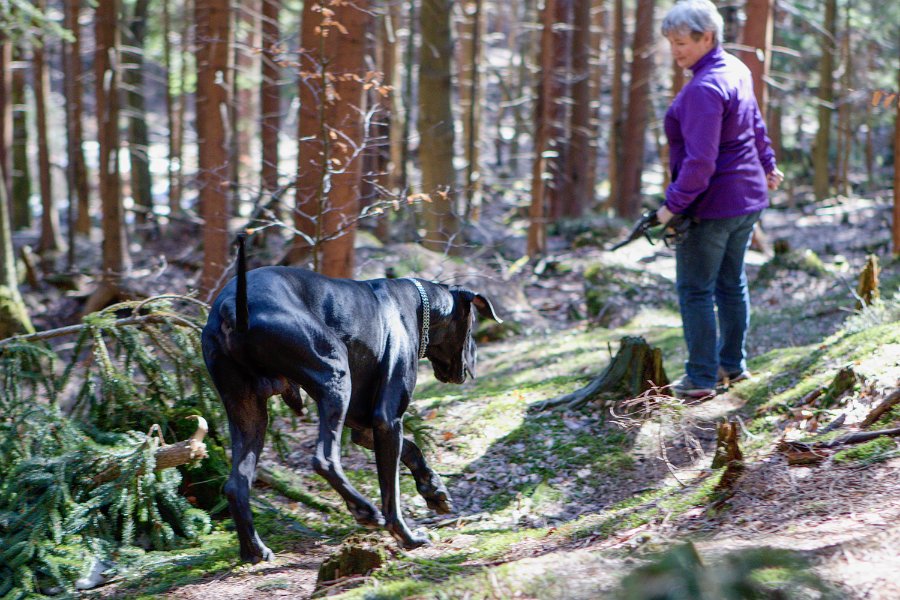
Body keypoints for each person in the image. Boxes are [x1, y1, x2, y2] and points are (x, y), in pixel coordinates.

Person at [656, 0, 784, 398]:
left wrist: (671, 206)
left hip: (711, 206)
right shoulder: (736, 69)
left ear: (707, 37)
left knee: (696, 289)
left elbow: (700, 164)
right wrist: (768, 164)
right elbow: (756, 124)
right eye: (671, 43)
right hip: (748, 200)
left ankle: (700, 378)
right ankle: (733, 365)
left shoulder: (704, 88)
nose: (675, 51)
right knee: (731, 283)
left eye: (682, 42)